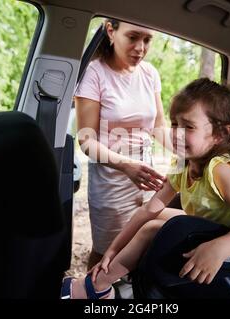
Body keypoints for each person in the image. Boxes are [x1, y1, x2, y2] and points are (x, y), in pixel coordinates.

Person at [61, 77, 230, 299]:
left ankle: (98, 288)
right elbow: (149, 209)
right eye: (174, 124)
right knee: (155, 214)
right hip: (204, 226)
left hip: (228, 241)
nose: (176, 134)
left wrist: (220, 248)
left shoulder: (223, 171)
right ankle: (112, 277)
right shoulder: (184, 164)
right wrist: (112, 251)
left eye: (188, 127)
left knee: (150, 229)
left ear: (221, 134)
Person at [74, 19, 169, 270]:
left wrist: (193, 151)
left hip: (146, 174)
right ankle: (90, 293)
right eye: (133, 37)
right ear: (111, 31)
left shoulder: (150, 74)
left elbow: (158, 126)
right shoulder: (95, 73)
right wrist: (126, 165)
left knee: (142, 244)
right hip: (111, 178)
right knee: (106, 251)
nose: (141, 47)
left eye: (147, 40)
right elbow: (85, 140)